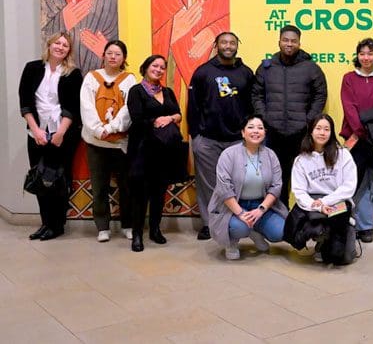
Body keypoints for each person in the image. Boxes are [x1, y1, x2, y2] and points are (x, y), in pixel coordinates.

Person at [188, 31, 254, 240]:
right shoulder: (202, 72)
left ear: (237, 45)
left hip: (237, 140)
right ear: (216, 46)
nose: (228, 46)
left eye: (232, 42)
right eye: (223, 42)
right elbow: (193, 106)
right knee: (208, 184)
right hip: (207, 140)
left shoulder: (246, 73)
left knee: (238, 183)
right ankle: (209, 224)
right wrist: (196, 135)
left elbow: (253, 106)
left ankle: (238, 222)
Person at [252, 25, 328, 206]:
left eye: (293, 41)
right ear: (279, 41)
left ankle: (304, 218)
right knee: (276, 179)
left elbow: (320, 94)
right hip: (273, 134)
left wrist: (308, 120)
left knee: (305, 177)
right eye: (285, 40)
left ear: (299, 43)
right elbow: (256, 95)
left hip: (301, 133)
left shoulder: (311, 68)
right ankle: (281, 217)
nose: (289, 44)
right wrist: (265, 118)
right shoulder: (266, 68)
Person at [18, 32, 83, 241]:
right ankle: (45, 223)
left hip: (62, 133)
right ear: (49, 45)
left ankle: (57, 225)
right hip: (36, 131)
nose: (61, 47)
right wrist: (36, 130)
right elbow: (25, 101)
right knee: (39, 177)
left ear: (68, 51)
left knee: (58, 179)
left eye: (65, 45)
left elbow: (73, 106)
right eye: (57, 43)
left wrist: (61, 132)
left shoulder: (72, 74)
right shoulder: (32, 68)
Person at [208, 115, 288, 260]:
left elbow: (276, 186)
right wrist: (240, 213)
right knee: (240, 227)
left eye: (260, 128)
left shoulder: (271, 155)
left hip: (260, 205)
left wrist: (261, 210)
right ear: (243, 132)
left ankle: (254, 231)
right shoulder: (229, 154)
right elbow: (224, 188)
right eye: (250, 127)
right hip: (232, 207)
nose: (255, 131)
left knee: (280, 232)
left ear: (265, 132)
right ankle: (232, 242)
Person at [80, 39, 136, 242]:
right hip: (96, 143)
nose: (113, 57)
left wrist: (111, 128)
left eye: (118, 54)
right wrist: (97, 130)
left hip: (121, 143)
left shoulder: (129, 80)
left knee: (126, 186)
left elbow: (129, 109)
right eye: (110, 53)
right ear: (103, 55)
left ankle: (127, 224)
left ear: (124, 58)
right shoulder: (91, 78)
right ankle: (102, 226)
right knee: (99, 186)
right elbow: (86, 107)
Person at [340, 38, 373, 243]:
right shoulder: (348, 79)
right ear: (357, 56)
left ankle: (366, 225)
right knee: (352, 182)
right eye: (362, 53)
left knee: (372, 183)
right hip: (355, 138)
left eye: (370, 54)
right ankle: (347, 222)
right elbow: (349, 107)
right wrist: (362, 128)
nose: (366, 58)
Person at [126, 55, 182, 252]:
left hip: (164, 151)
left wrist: (169, 118)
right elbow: (137, 118)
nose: (158, 69)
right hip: (142, 150)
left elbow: (178, 115)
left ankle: (155, 230)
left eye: (162, 67)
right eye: (154, 66)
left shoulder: (167, 92)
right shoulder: (136, 91)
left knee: (159, 192)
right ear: (146, 67)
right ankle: (137, 235)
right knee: (139, 195)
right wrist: (156, 121)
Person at [288, 114, 357, 264]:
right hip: (313, 205)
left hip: (337, 202)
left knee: (340, 258)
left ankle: (333, 237)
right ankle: (318, 233)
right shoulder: (301, 160)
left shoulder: (343, 155)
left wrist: (326, 202)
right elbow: (299, 191)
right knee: (308, 226)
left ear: (331, 132)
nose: (322, 133)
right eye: (318, 128)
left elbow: (349, 187)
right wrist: (317, 206)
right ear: (311, 131)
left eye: (326, 129)